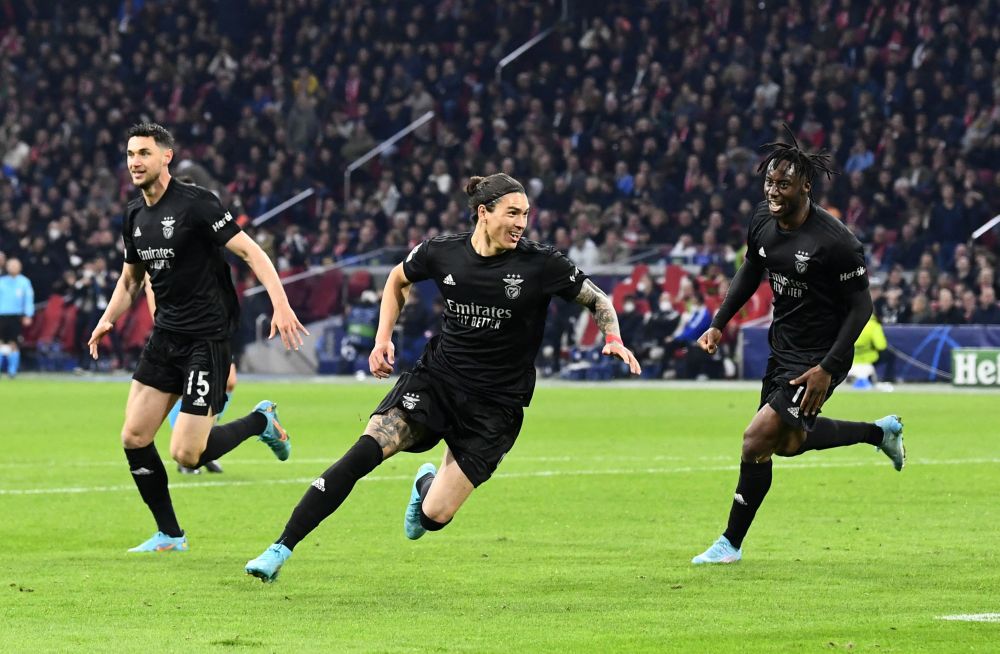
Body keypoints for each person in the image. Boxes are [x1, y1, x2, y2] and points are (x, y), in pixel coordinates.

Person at [245, 173, 642, 582]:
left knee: (435, 516)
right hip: (437, 381)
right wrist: (383, 339)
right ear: (483, 213)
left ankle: (424, 487)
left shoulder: (541, 263)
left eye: (526, 214)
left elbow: (596, 298)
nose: (522, 223)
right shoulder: (441, 252)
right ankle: (279, 549)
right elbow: (397, 279)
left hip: (495, 406)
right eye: (513, 213)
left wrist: (612, 336)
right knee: (364, 452)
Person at [87, 123, 309, 553]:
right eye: (131, 153)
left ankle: (260, 421)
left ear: (165, 157)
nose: (135, 161)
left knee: (187, 454)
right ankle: (170, 535)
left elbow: (250, 251)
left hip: (206, 338)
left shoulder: (197, 204)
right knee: (133, 437)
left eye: (144, 153)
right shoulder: (134, 214)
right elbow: (131, 278)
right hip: (166, 336)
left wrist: (281, 304)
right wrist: (107, 317)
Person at [692, 130, 905, 565]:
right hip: (783, 347)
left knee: (754, 441)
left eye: (783, 184)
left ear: (805, 186)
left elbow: (862, 306)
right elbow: (752, 270)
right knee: (785, 445)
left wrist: (828, 367)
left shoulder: (836, 241)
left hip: (820, 357)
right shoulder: (762, 221)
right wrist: (718, 323)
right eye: (769, 182)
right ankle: (880, 432)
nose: (773, 191)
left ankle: (729, 544)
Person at [144, 272, 232, 474]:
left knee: (229, 382)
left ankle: (199, 443)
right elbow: (150, 285)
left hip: (209, 321)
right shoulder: (156, 250)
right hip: (182, 332)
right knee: (188, 387)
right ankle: (189, 449)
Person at [0, 257, 35, 378]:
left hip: (16, 316)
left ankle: (12, 370)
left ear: (20, 267)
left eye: (15, 265)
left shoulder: (24, 282)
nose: (13, 268)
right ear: (7, 267)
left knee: (13, 343)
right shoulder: (2, 281)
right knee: (0, 343)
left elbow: (28, 300)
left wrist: (28, 315)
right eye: (11, 265)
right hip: (2, 315)